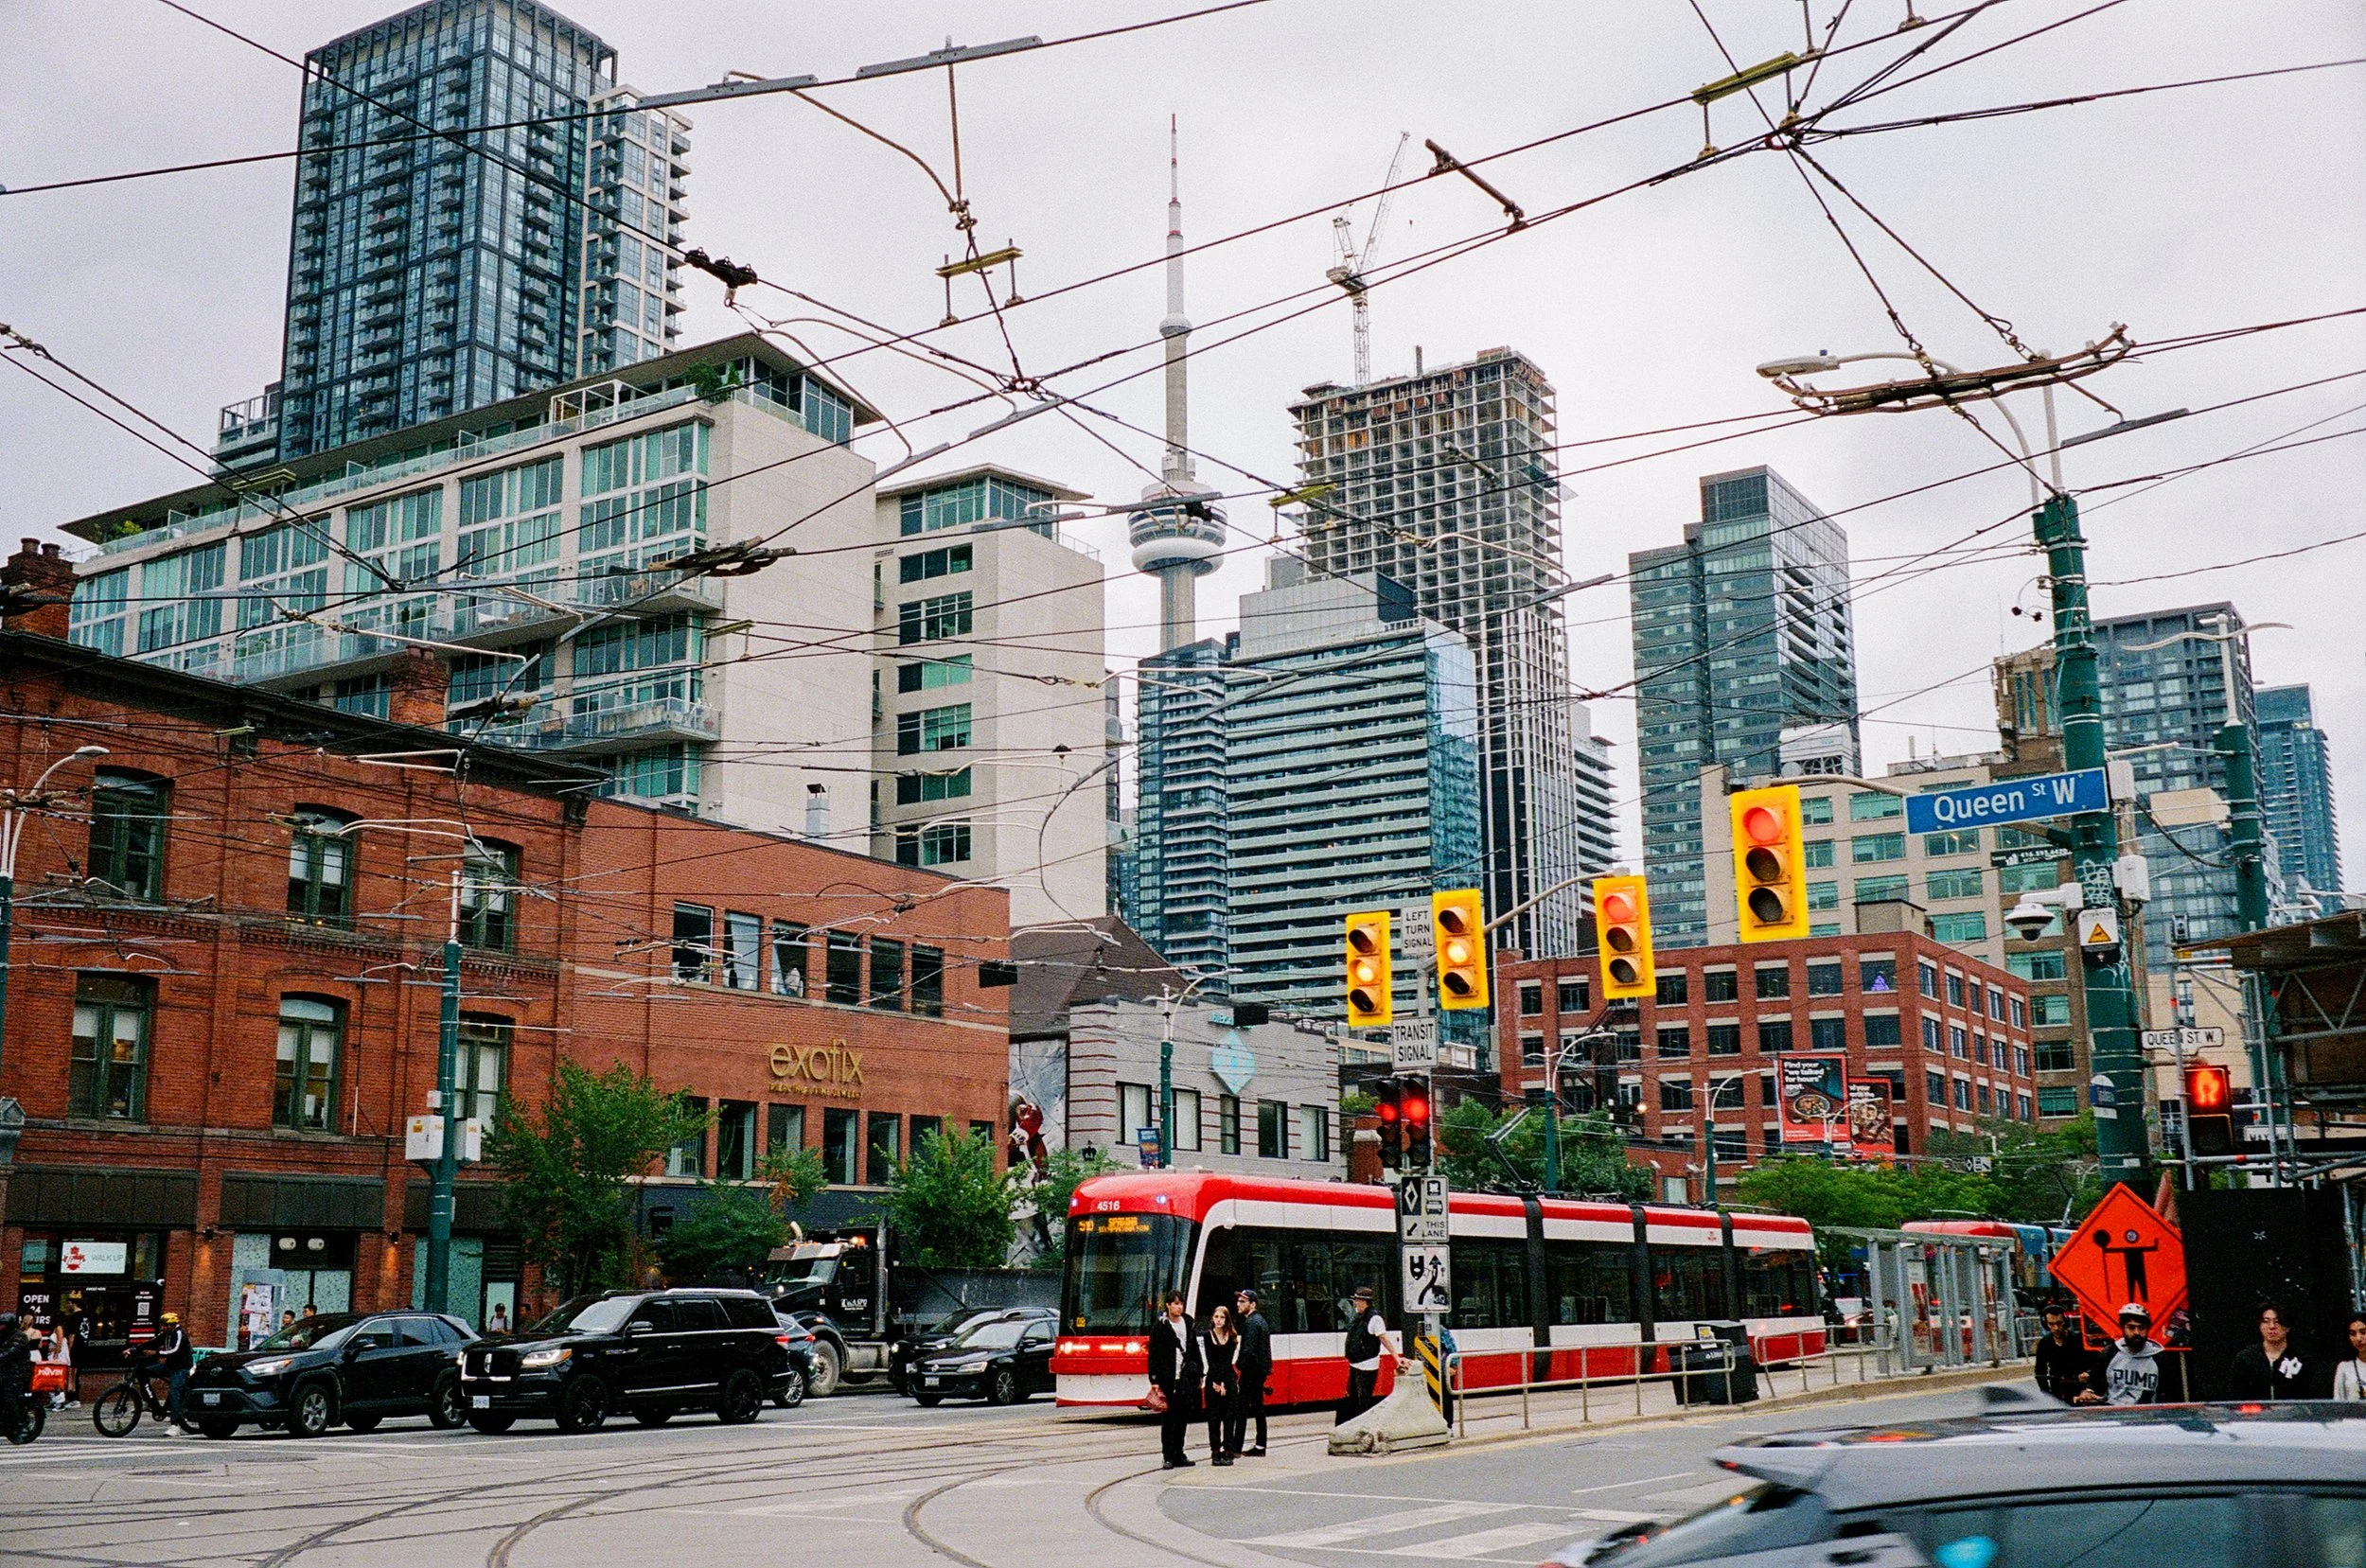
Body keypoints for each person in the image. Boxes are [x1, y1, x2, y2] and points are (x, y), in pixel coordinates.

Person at [1146, 1291, 1202, 1470]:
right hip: (1167, 1378)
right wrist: (1154, 1379)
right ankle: (1168, 1455)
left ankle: (1179, 1453)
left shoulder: (1189, 1322)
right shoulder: (1160, 1326)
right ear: (1168, 1306)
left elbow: (1194, 1349)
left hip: (1185, 1376)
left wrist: (1200, 1372)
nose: (1179, 1307)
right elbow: (1154, 1354)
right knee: (1169, 1419)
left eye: (1181, 1304)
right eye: (1175, 1303)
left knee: (1182, 1418)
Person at [2077, 1303, 2162, 1406]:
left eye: (2141, 1328)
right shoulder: (2109, 1353)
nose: (2137, 1332)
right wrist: (2088, 1392)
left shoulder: (2159, 1357)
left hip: (2148, 1415)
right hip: (2114, 1412)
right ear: (2123, 1328)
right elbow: (2095, 1382)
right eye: (2131, 1327)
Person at [2230, 1302, 2313, 1400]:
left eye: (2277, 1321)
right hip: (2255, 1413)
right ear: (2260, 1326)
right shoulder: (2246, 1359)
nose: (2272, 1326)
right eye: (2266, 1321)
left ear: (2288, 1327)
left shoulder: (2302, 1359)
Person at [1338, 1285, 1397, 1424]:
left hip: (1367, 1364)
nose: (1355, 1303)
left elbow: (1383, 1338)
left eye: (1357, 1300)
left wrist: (1396, 1357)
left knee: (1363, 1399)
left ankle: (1364, 1425)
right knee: (1353, 1398)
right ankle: (1353, 1424)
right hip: (1355, 1363)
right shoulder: (1359, 1317)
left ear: (1365, 1302)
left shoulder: (1375, 1318)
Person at [1231, 1289, 1271, 1458]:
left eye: (1243, 1302)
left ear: (1252, 1304)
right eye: (1238, 1301)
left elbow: (1248, 1350)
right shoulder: (1259, 1321)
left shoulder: (1251, 1323)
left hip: (1251, 1371)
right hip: (1259, 1370)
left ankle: (1236, 1447)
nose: (1239, 1305)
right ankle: (1260, 1445)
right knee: (1258, 1408)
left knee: (1241, 1409)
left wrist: (1239, 1365)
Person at [2033, 1305, 2095, 1403]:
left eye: (2059, 1323)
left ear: (2065, 1322)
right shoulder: (2044, 1343)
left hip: (2079, 1388)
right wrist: (2046, 1393)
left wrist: (2087, 1375)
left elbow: (2094, 1364)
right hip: (2057, 1388)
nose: (2056, 1328)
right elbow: (2040, 1370)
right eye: (2051, 1324)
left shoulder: (2078, 1340)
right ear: (2046, 1325)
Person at [1202, 1305, 1239, 1467]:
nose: (1218, 1320)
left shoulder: (1232, 1337)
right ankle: (1215, 1451)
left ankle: (1228, 1451)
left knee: (1229, 1418)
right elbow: (1212, 1361)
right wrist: (1217, 1383)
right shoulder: (1207, 1336)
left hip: (1228, 1380)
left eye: (1222, 1317)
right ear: (1212, 1318)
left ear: (1226, 1319)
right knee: (1214, 1418)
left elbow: (1228, 1361)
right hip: (1213, 1381)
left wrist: (1224, 1383)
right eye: (1216, 1317)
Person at [148, 1312, 193, 1435]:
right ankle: (151, 1403)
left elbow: (175, 1351)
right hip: (169, 1366)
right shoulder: (165, 1334)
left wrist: (157, 1354)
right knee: (143, 1372)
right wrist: (134, 1349)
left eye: (165, 1325)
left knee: (175, 1391)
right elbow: (152, 1342)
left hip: (181, 1368)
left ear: (172, 1325)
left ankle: (175, 1425)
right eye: (161, 1325)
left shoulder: (179, 1334)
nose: (162, 1328)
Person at [0, 1314, 31, 1440]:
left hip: (16, 1374)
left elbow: (9, 1353)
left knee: (9, 1398)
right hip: (3, 1373)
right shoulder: (2, 1335)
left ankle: (19, 1427)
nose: (0, 1327)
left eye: (3, 1325)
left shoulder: (19, 1337)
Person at [2332, 1312, 2366, 1401]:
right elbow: (2338, 1403)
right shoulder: (2345, 1367)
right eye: (2353, 1334)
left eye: (2363, 1332)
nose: (2358, 1338)